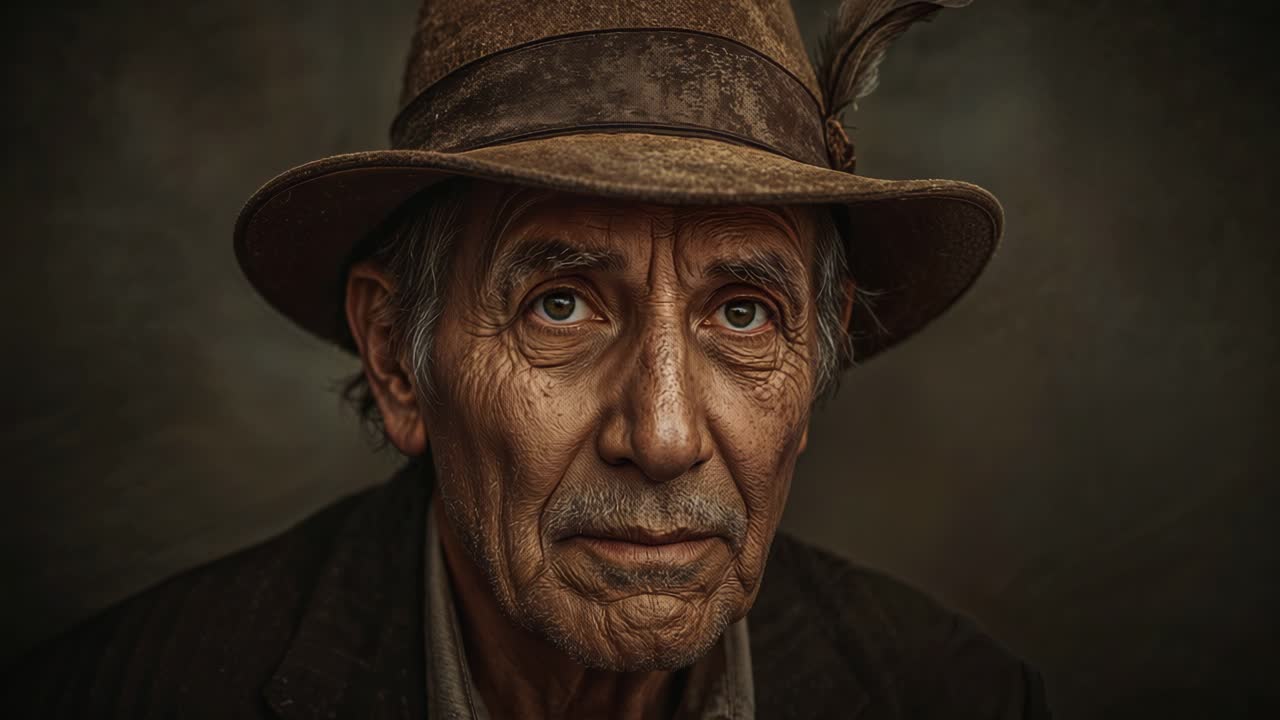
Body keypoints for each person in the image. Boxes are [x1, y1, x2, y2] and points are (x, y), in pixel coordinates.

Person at [3, 1, 1051, 717]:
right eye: (560, 304)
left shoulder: (952, 696)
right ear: (397, 360)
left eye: (742, 315)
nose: (665, 434)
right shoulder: (129, 695)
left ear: (811, 372)